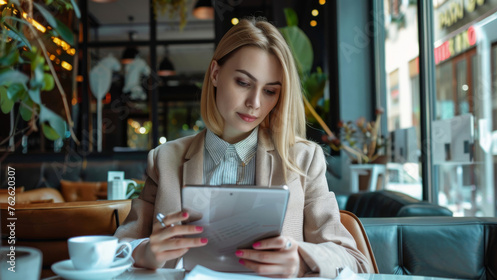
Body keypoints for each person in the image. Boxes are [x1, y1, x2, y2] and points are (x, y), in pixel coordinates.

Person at [114, 17, 370, 278]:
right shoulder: (165, 159)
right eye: (243, 83)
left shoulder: (303, 160)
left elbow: (355, 261)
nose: (254, 103)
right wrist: (144, 252)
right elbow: (119, 248)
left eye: (270, 91)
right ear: (215, 74)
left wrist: (301, 261)